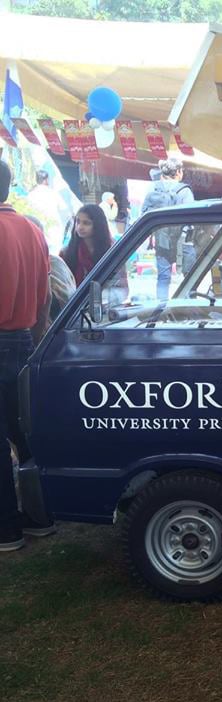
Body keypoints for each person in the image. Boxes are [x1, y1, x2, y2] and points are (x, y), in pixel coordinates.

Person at [0, 161, 56, 552]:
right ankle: (40, 515)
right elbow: (46, 295)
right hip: (23, 339)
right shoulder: (32, 230)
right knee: (24, 431)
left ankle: (6, 529)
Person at [141, 158, 195, 300]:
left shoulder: (153, 188)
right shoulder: (184, 190)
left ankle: (161, 310)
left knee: (163, 278)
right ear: (178, 172)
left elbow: (145, 213)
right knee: (190, 278)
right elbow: (192, 217)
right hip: (183, 241)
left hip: (162, 241)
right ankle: (190, 310)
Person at [60, 204, 113, 285]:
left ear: (98, 225)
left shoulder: (111, 251)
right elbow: (60, 284)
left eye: (86, 223)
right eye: (78, 222)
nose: (80, 227)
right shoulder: (66, 252)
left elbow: (120, 286)